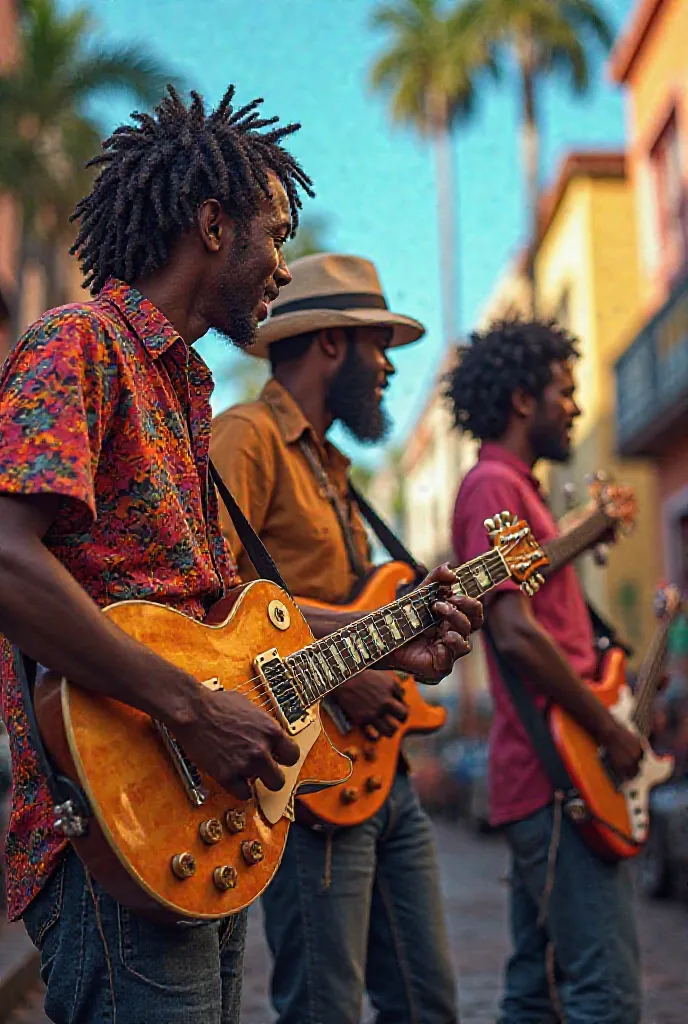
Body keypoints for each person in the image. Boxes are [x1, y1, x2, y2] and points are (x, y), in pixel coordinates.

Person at [0, 87, 481, 1024]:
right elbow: (8, 561)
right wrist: (187, 708)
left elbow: (232, 631)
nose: (281, 264)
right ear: (214, 224)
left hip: (197, 825)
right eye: (276, 232)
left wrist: (388, 638)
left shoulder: (184, 393)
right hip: (109, 829)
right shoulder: (78, 345)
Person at [211, 252, 462, 1024]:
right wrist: (340, 675)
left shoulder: (335, 469)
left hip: (384, 778)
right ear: (330, 344)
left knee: (428, 1004)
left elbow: (355, 608)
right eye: (377, 346)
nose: (386, 367)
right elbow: (214, 602)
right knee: (324, 1008)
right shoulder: (243, 437)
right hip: (309, 781)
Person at [447, 319, 643, 1024]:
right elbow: (515, 633)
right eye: (565, 390)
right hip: (559, 770)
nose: (576, 406)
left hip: (550, 771)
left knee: (538, 992)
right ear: (524, 400)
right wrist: (608, 731)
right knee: (605, 993)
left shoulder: (517, 490)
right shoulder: (493, 487)